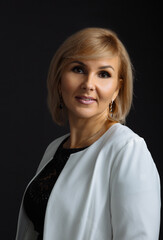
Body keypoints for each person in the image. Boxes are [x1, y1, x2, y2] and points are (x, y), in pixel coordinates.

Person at [15, 27, 161, 240]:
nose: (88, 84)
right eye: (78, 69)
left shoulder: (127, 150)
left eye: (103, 74)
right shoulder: (54, 149)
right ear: (59, 79)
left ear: (117, 90)